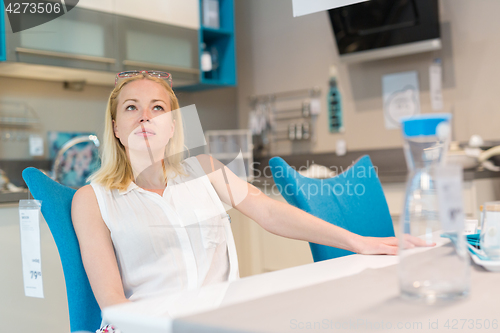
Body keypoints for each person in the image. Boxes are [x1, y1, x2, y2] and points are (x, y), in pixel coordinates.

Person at [71, 71, 430, 333]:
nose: (145, 115)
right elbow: (113, 304)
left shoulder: (204, 168)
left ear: (172, 127)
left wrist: (358, 242)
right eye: (132, 107)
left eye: (158, 108)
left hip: (223, 320)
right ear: (116, 127)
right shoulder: (91, 200)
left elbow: (268, 211)